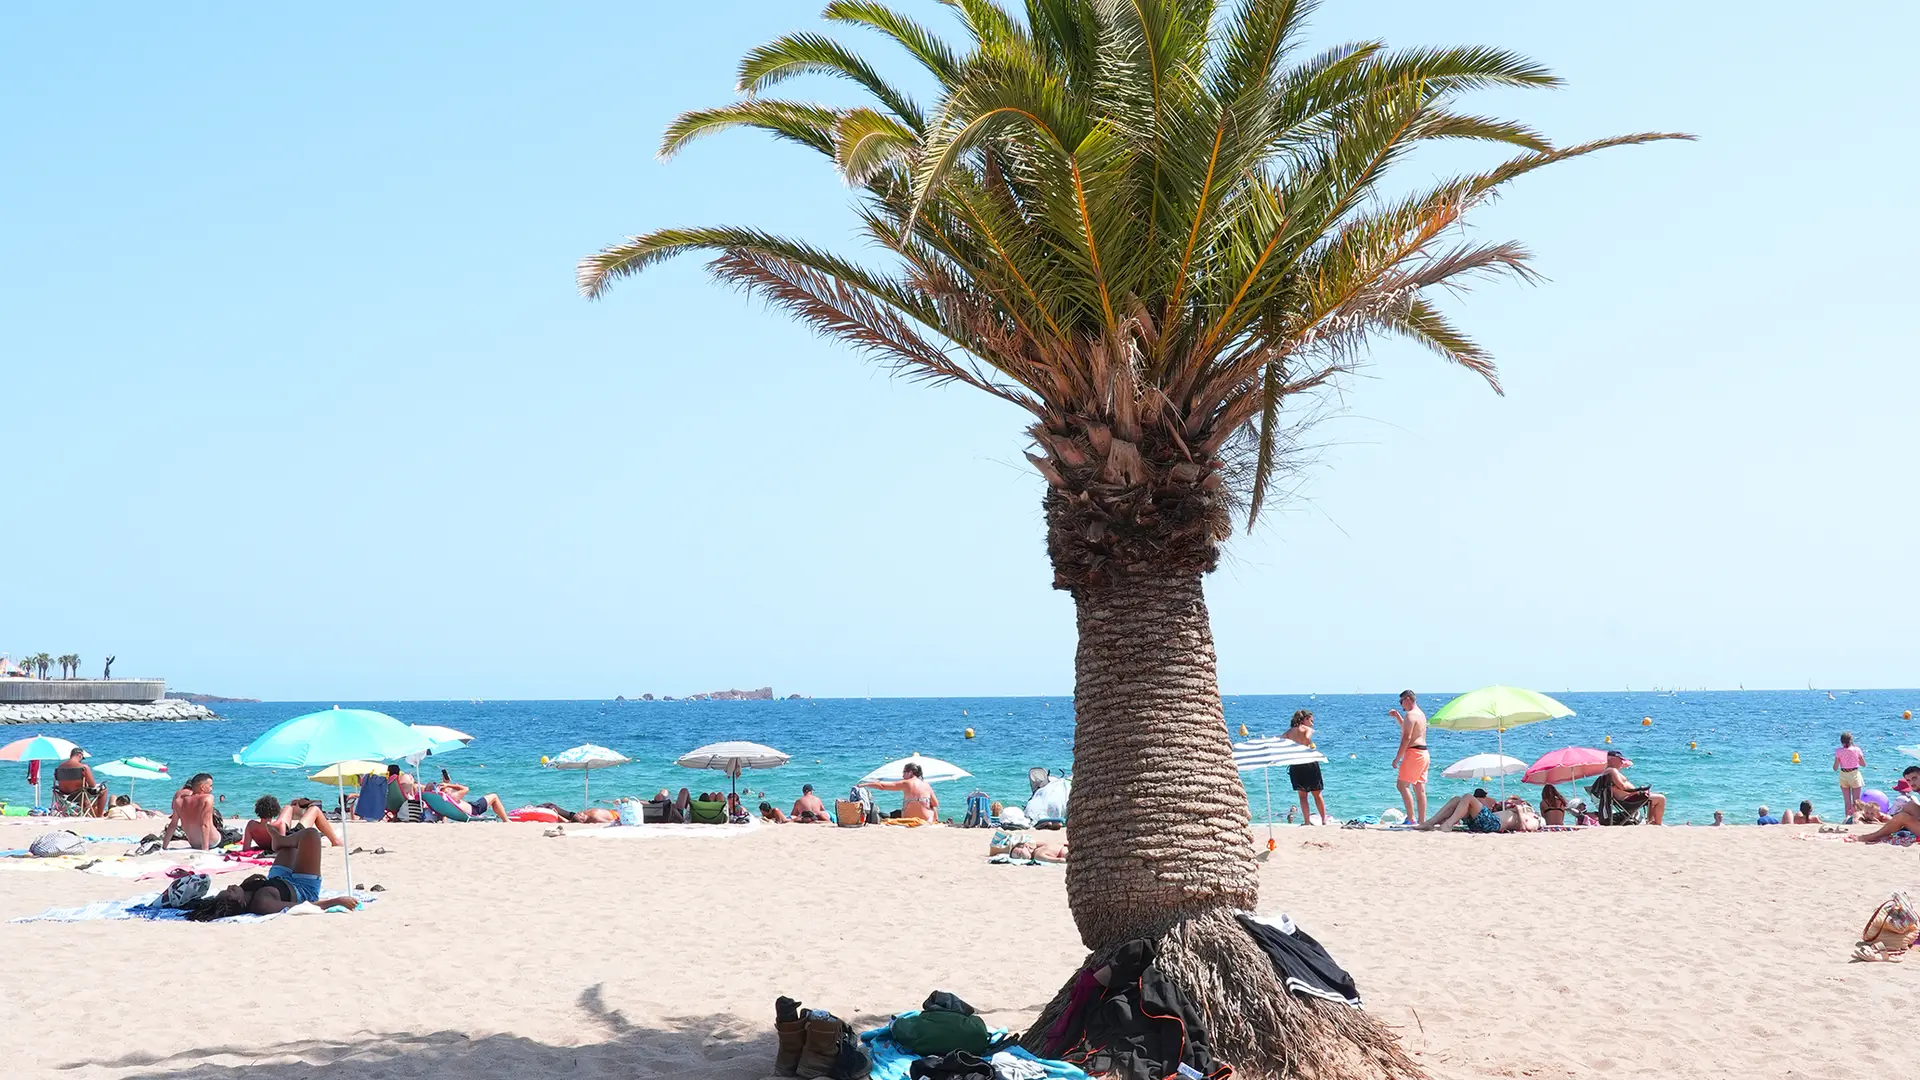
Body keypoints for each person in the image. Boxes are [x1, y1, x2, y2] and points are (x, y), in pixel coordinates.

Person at [1282, 709, 1329, 826]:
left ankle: (1307, 821)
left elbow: (1281, 740)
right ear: (1305, 719)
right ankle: (1323, 820)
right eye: (1311, 720)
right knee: (1317, 794)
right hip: (1309, 762)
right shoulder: (1308, 729)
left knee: (1302, 796)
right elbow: (1307, 739)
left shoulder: (1289, 731)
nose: (1312, 723)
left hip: (1296, 763)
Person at [1595, 750, 1667, 825]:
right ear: (1612, 759)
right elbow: (1622, 786)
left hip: (1624, 799)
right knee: (1661, 798)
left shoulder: (1607, 771)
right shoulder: (1612, 770)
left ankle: (1652, 822)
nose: (1622, 762)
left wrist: (1638, 792)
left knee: (1653, 799)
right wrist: (1638, 790)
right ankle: (1658, 823)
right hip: (1627, 800)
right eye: (1620, 760)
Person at [1389, 690, 1429, 825]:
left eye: (1401, 702)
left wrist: (1397, 758)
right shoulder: (1421, 714)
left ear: (1407, 699)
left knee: (1402, 785)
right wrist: (1398, 717)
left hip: (1414, 753)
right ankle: (1422, 820)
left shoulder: (1410, 715)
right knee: (1419, 788)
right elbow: (1410, 729)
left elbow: (1407, 737)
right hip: (1424, 753)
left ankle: (1411, 818)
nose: (1401, 706)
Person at [860, 762, 938, 823]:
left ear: (910, 772)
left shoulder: (907, 783)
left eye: (904, 772)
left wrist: (865, 784)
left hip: (909, 819)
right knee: (932, 806)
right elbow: (935, 803)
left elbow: (882, 786)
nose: (902, 775)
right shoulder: (926, 785)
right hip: (927, 820)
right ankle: (935, 821)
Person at [160, 773, 219, 849]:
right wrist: (205, 849)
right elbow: (204, 825)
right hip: (212, 842)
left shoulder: (178, 801)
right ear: (202, 787)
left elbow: (172, 825)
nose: (211, 789)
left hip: (194, 844)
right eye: (210, 786)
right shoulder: (208, 798)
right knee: (234, 835)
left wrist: (164, 847)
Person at [52, 747, 106, 816]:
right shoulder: (83, 767)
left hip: (63, 795)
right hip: (78, 795)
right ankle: (99, 815)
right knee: (104, 789)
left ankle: (87, 812)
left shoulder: (59, 767)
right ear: (80, 755)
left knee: (83, 793)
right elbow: (92, 785)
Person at [1418, 789, 1502, 832]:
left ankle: (1448, 824)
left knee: (1467, 796)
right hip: (1477, 822)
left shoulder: (1492, 801)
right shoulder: (1491, 801)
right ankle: (1430, 822)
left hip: (1491, 822)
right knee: (1457, 799)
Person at [434, 777, 509, 820]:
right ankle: (506, 820)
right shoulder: (452, 797)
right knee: (494, 796)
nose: (449, 789)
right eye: (447, 789)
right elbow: (466, 789)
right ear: (446, 792)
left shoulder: (442, 802)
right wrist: (449, 785)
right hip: (474, 809)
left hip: (471, 807)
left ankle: (502, 815)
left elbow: (445, 814)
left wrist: (446, 784)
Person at [1834, 732, 1866, 820]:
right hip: (1854, 774)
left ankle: (1847, 819)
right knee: (1856, 801)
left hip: (1843, 775)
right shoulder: (1857, 750)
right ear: (1851, 740)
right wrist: (1854, 759)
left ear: (1841, 741)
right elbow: (1863, 764)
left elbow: (1835, 767)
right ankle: (1857, 819)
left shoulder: (1838, 751)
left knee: (1847, 801)